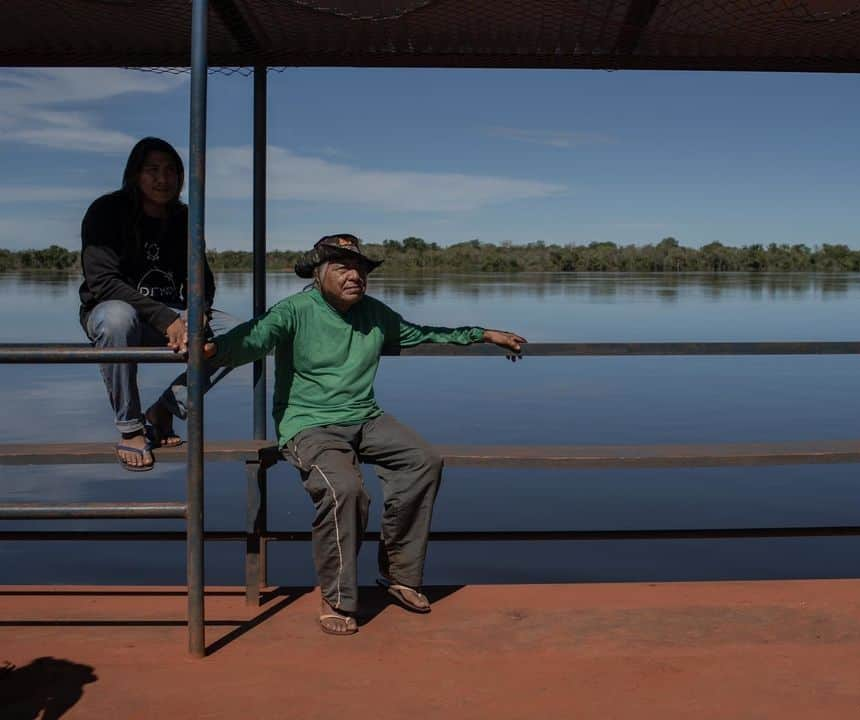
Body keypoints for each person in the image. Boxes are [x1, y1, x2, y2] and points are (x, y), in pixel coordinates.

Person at [205, 234, 526, 635]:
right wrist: (213, 351)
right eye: (342, 268)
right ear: (319, 274)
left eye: (360, 268)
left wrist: (482, 333)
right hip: (309, 424)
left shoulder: (374, 313)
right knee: (345, 489)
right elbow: (253, 338)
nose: (354, 275)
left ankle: (398, 575)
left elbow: (423, 332)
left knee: (422, 461)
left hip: (364, 417)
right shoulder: (295, 311)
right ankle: (336, 596)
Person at [79, 137, 234, 471]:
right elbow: (103, 283)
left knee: (236, 333)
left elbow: (201, 278)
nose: (163, 179)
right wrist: (168, 320)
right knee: (118, 319)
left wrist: (198, 312)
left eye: (171, 171)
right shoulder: (106, 212)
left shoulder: (184, 217)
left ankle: (164, 410)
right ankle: (132, 427)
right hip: (110, 311)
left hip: (172, 312)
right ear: (135, 174)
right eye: (152, 170)